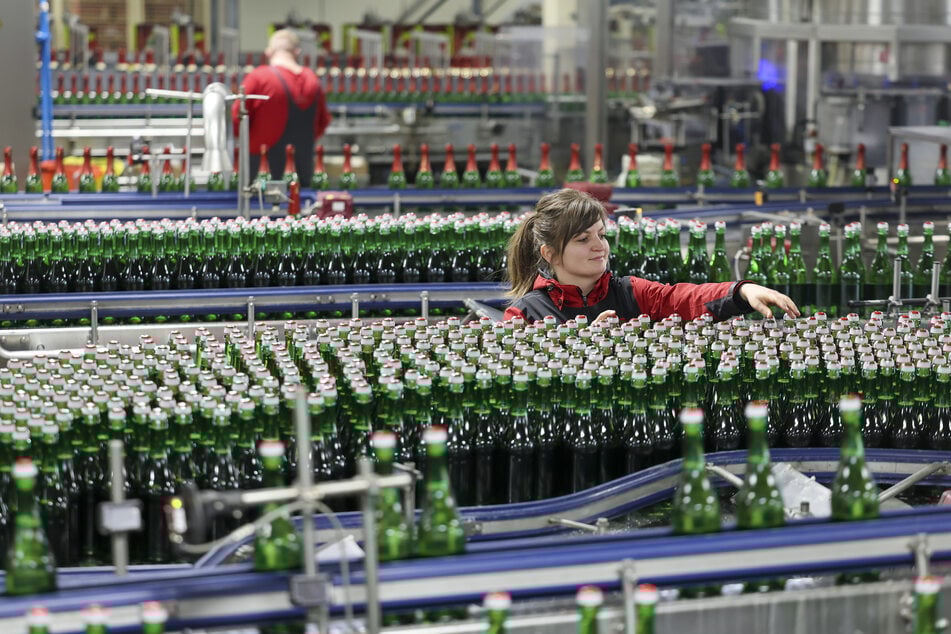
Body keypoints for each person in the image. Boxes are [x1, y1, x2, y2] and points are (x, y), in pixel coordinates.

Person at [503, 188, 800, 323]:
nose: (599, 246)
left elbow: (684, 299)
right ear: (550, 254)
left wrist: (741, 290)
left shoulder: (631, 293)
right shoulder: (527, 314)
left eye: (601, 235)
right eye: (583, 239)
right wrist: (584, 345)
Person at [232, 28, 332, 181]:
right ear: (297, 52)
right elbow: (323, 122)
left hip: (261, 170)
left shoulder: (259, 77)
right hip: (302, 169)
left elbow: (237, 118)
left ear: (268, 52)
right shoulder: (313, 80)